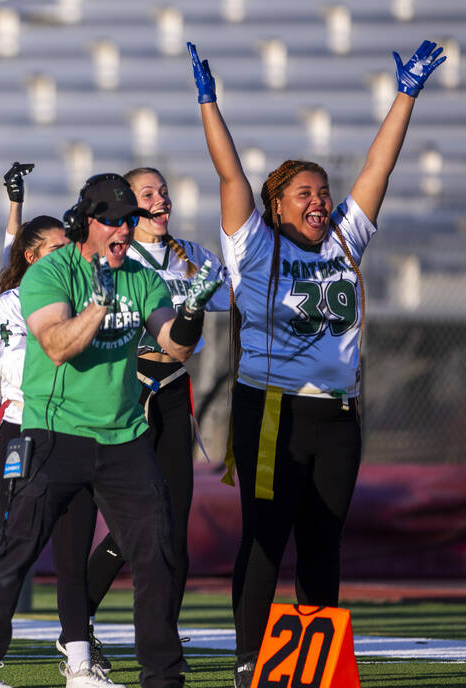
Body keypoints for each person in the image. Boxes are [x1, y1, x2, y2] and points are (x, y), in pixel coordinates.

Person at [188, 40, 445, 687]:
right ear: (277, 203)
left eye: (324, 192)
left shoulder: (343, 243)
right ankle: (250, 663)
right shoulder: (254, 243)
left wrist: (406, 94)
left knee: (324, 544)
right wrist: (209, 105)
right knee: (266, 537)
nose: (319, 200)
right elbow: (230, 178)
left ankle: (316, 666)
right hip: (271, 409)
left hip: (336, 417)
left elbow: (377, 173)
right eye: (305, 192)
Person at [0, 173, 224, 688]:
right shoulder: (50, 273)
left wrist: (192, 309)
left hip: (122, 437)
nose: (125, 231)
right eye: (115, 221)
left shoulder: (141, 278)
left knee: (159, 552)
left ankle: (162, 677)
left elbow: (177, 345)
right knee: (15, 553)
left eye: (130, 221)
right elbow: (56, 344)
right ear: (87, 223)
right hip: (55, 434)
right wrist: (97, 303)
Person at [83, 167, 230, 667]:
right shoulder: (121, 258)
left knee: (173, 522)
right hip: (127, 390)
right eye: (148, 194)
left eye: (164, 192)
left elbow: (242, 297)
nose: (160, 200)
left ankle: (165, 637)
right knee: (133, 525)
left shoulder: (194, 256)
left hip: (172, 391)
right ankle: (76, 624)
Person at [0, 164, 113, 687]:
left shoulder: (75, 296)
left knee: (73, 554)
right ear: (34, 257)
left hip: (74, 435)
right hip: (25, 435)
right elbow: (22, 366)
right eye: (56, 247)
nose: (68, 253)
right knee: (14, 557)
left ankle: (79, 667)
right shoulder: (13, 303)